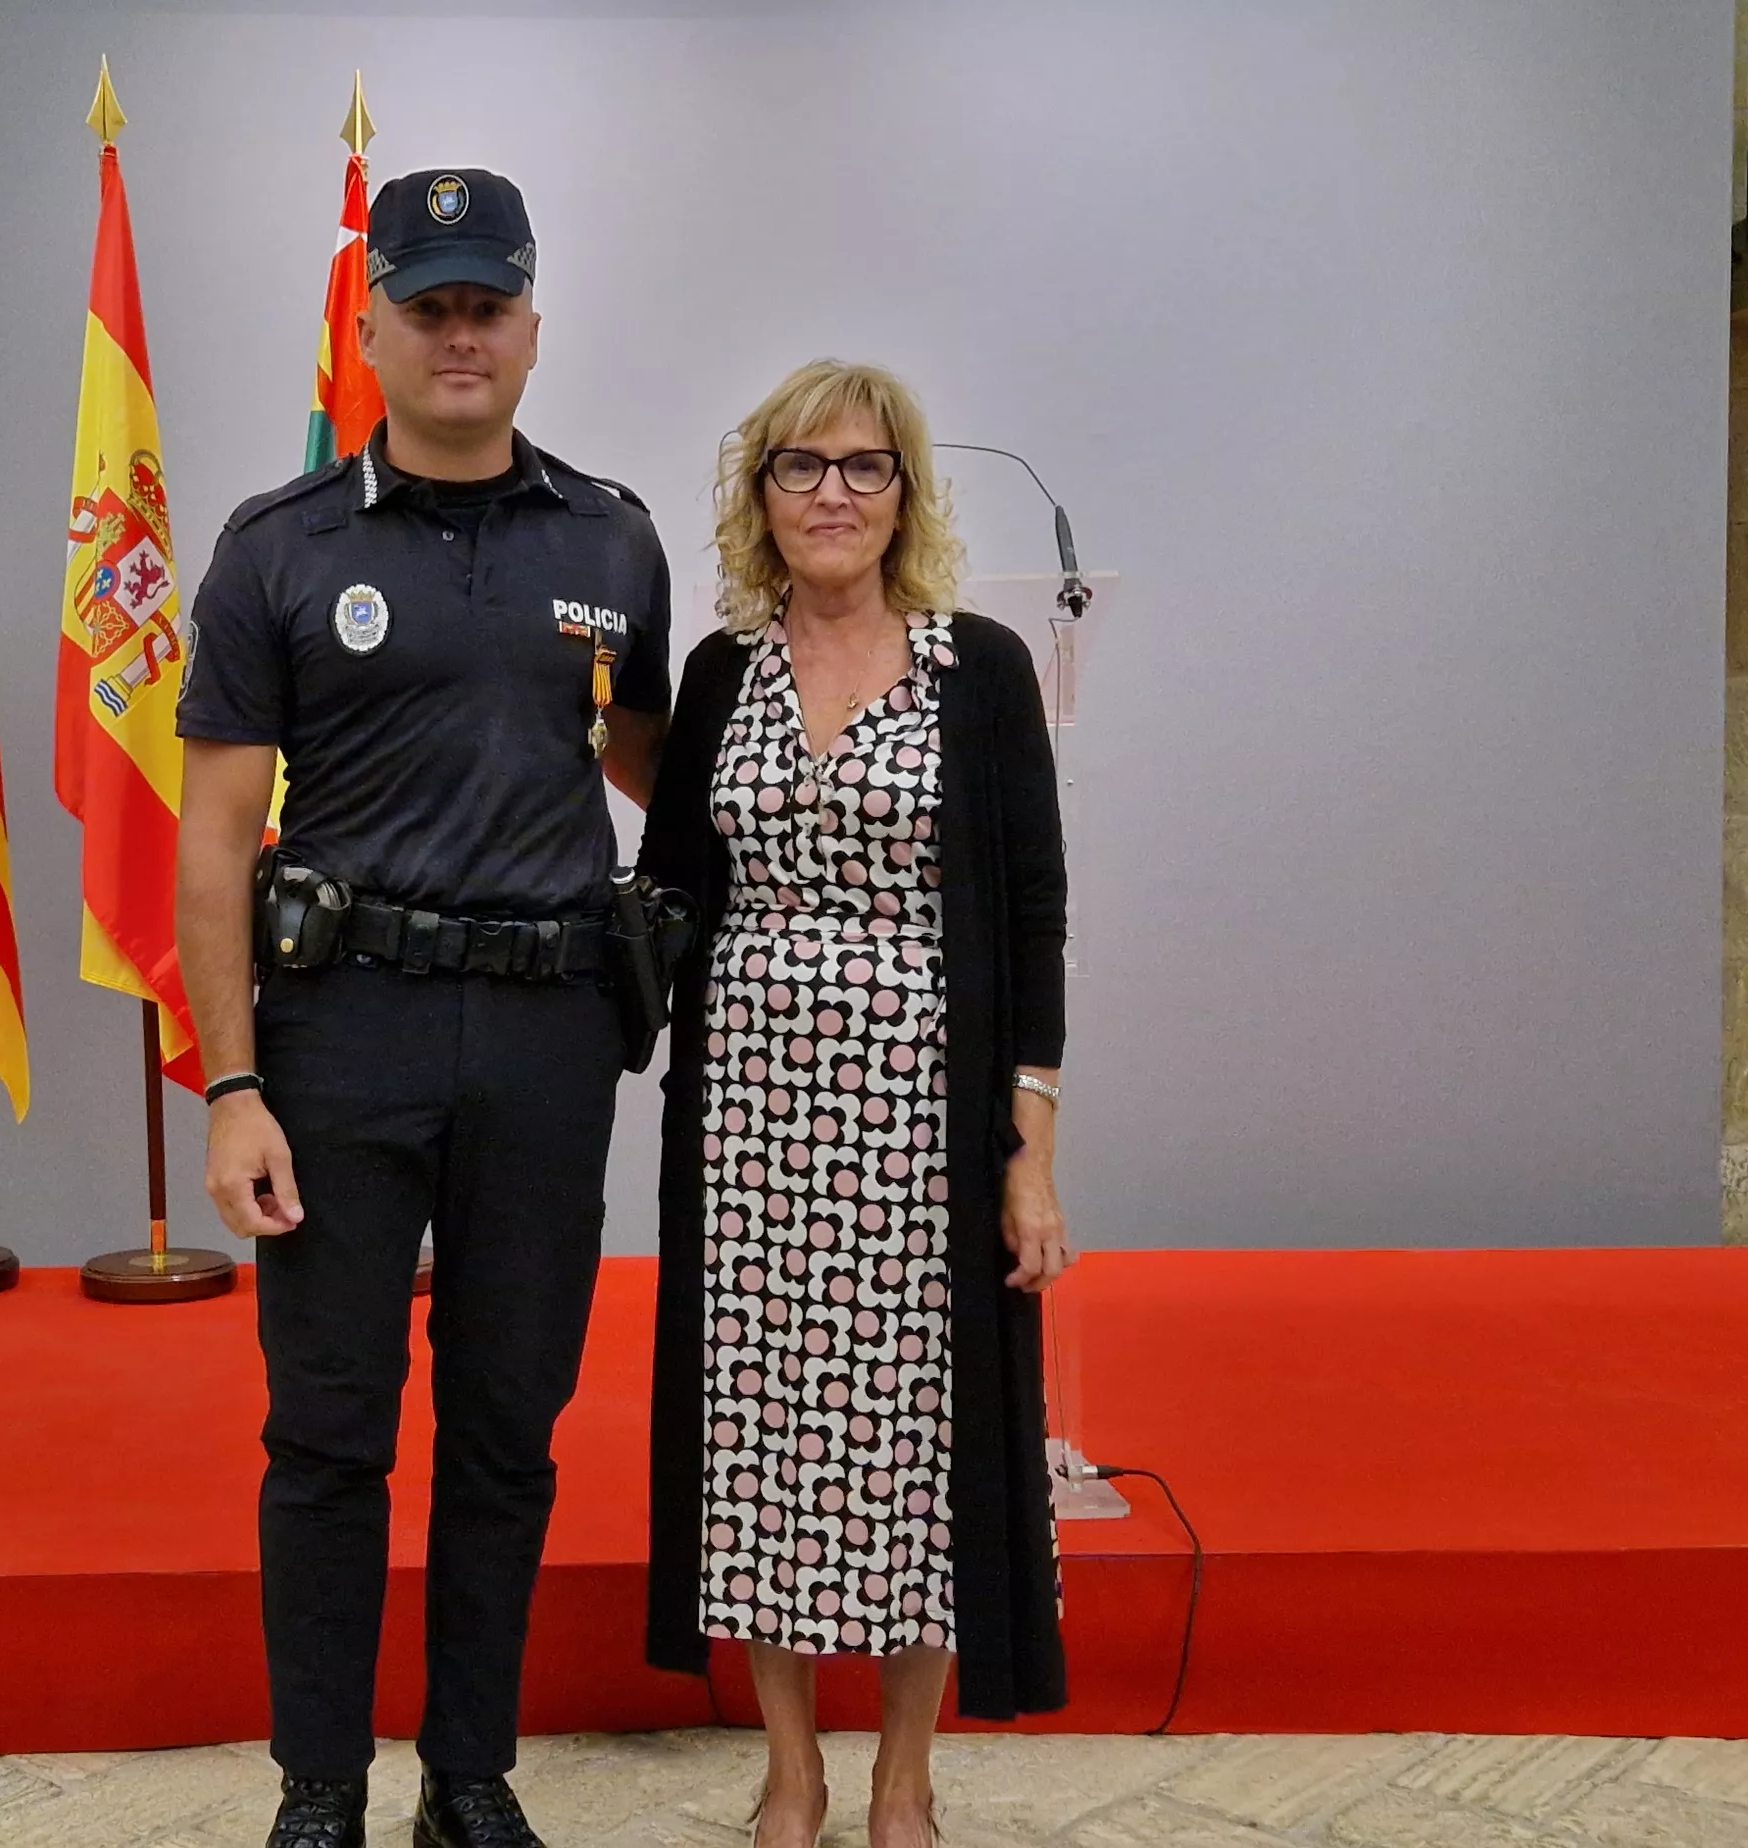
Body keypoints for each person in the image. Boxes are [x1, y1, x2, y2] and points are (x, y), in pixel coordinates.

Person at [175, 168, 671, 1848]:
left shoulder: (614, 537)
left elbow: (649, 765)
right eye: (429, 305)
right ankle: (321, 1787)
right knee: (327, 1425)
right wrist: (232, 1084)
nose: (461, 335)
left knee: (509, 1421)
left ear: (533, 327)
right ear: (372, 324)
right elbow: (218, 841)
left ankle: (471, 1776)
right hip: (343, 1034)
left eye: (489, 306)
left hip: (544, 1036)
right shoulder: (281, 546)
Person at [637, 361, 1074, 1848]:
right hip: (749, 1123)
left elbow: (1033, 911)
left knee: (916, 1451)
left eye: (865, 468)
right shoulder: (719, 675)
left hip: (922, 1129)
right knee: (757, 1438)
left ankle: (899, 1768)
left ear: (907, 495)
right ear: (759, 494)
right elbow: (672, 897)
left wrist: (1030, 1156)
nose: (834, 493)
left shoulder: (983, 669)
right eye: (801, 466)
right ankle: (789, 1760)